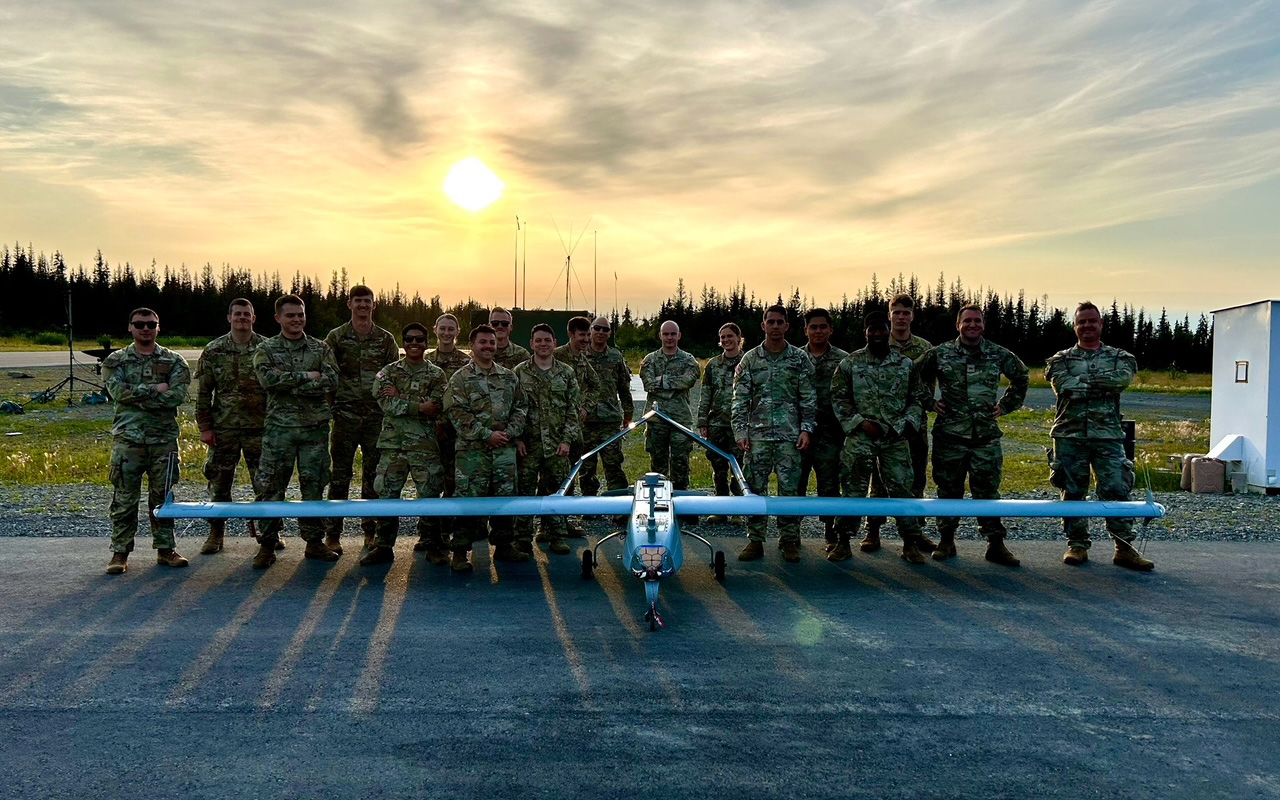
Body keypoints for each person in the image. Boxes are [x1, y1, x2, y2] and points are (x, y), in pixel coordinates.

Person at [916, 304, 1028, 566]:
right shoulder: (940, 353)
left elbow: (1021, 377)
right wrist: (929, 401)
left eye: (977, 321)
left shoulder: (998, 354)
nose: (972, 325)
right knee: (948, 491)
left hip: (985, 438)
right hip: (951, 436)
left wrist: (1007, 404)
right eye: (967, 321)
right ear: (958, 325)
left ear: (983, 325)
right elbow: (911, 376)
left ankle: (996, 544)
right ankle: (946, 541)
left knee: (988, 492)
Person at [1046, 302, 1153, 571]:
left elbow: (1121, 381)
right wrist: (1100, 383)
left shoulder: (1121, 357)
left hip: (1107, 435)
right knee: (1073, 491)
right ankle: (1077, 544)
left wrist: (1083, 382)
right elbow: (1064, 387)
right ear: (1075, 325)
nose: (1087, 326)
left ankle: (1124, 548)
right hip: (1070, 435)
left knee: (1116, 489)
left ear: (1101, 324)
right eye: (1082, 322)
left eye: (1092, 321)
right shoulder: (1060, 360)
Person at [829, 311, 931, 564]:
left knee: (902, 490)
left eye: (881, 329)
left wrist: (907, 423)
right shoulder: (851, 363)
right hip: (861, 437)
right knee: (853, 490)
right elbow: (838, 398)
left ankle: (909, 543)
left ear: (888, 330)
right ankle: (843, 541)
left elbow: (917, 398)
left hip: (894, 438)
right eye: (871, 329)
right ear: (865, 332)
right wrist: (859, 423)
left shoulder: (905, 364)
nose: (877, 334)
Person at [251, 295, 340, 569]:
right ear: (278, 318)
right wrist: (307, 376)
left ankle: (314, 543)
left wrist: (288, 380)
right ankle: (267, 545)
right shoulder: (266, 349)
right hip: (280, 430)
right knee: (271, 487)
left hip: (314, 429)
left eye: (300, 314)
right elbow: (268, 381)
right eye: (290, 315)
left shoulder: (320, 348)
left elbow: (331, 380)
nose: (297, 319)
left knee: (313, 486)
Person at [101, 308, 192, 574]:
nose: (145, 329)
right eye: (140, 324)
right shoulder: (116, 361)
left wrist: (138, 393)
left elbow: (177, 396)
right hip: (128, 440)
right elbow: (118, 393)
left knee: (163, 498)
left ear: (158, 328)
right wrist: (156, 389)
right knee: (124, 499)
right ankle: (120, 553)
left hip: (162, 440)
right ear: (130, 327)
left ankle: (166, 550)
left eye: (151, 324)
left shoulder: (174, 361)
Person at [731, 305, 817, 563]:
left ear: (787, 326)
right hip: (756, 438)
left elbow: (808, 398)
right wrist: (740, 431)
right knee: (754, 492)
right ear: (763, 326)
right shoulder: (750, 360)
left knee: (789, 492)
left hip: (789, 438)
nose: (776, 326)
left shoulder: (799, 359)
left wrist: (806, 429)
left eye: (780, 322)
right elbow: (739, 399)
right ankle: (755, 540)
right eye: (771, 322)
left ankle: (789, 540)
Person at [360, 323, 449, 566]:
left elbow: (438, 406)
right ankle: (384, 546)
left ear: (426, 343)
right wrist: (418, 406)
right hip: (393, 445)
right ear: (403, 343)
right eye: (409, 339)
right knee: (387, 496)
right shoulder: (387, 373)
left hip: (424, 445)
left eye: (420, 339)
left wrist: (402, 398)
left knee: (429, 495)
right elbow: (385, 402)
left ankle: (432, 545)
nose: (414, 344)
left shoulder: (437, 374)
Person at [444, 324, 529, 571]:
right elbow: (456, 413)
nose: (488, 346)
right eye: (483, 342)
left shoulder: (508, 376)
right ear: (472, 346)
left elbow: (521, 407)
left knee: (505, 501)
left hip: (504, 451)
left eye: (491, 342)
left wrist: (508, 434)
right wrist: (486, 435)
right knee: (468, 502)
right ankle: (460, 550)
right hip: (473, 453)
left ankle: (503, 547)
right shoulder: (460, 379)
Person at [323, 285, 399, 555]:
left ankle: (370, 531)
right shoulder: (337, 337)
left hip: (376, 419)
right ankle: (333, 534)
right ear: (350, 304)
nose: (363, 306)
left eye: (367, 301)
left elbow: (394, 376)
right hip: (345, 416)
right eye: (358, 301)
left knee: (373, 476)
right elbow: (328, 374)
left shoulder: (385, 339)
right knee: (340, 475)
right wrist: (335, 407)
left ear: (373, 305)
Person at [194, 298, 270, 556]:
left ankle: (270, 533)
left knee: (265, 484)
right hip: (224, 428)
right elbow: (204, 393)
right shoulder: (214, 351)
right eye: (237, 314)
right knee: (219, 483)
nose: (242, 318)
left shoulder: (266, 348)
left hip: (260, 429)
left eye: (246, 314)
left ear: (253, 317)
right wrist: (205, 427)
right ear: (229, 318)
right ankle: (216, 534)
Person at [863, 294, 936, 553]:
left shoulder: (925, 348)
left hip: (913, 427)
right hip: (883, 427)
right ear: (890, 315)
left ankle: (913, 534)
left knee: (915, 480)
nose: (901, 317)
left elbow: (925, 388)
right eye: (897, 313)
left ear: (913, 316)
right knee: (879, 481)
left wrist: (929, 405)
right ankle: (873, 530)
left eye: (906, 312)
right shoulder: (879, 340)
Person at [516, 324, 582, 554]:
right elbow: (512, 409)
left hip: (556, 446)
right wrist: (517, 439)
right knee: (524, 492)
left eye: (547, 340)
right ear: (531, 344)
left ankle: (558, 536)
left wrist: (566, 440)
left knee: (557, 492)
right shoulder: (519, 372)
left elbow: (573, 410)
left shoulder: (566, 373)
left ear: (555, 343)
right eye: (538, 340)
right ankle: (523, 538)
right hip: (529, 445)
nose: (543, 344)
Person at [797, 308, 849, 551]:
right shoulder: (794, 358)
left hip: (831, 434)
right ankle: (791, 535)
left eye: (822, 327)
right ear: (805, 330)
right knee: (795, 485)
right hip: (798, 434)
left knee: (829, 486)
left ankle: (832, 533)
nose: (818, 331)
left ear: (831, 330)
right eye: (813, 327)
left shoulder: (844, 360)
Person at [423, 313, 472, 553]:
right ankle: (428, 534)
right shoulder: (425, 361)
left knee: (453, 482)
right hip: (429, 433)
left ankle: (448, 530)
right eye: (442, 328)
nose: (446, 333)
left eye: (451, 329)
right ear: (435, 330)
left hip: (456, 433)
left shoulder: (465, 362)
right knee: (429, 484)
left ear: (457, 331)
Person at [552, 316, 602, 539]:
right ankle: (547, 525)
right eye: (582, 335)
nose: (586, 339)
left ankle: (563, 521)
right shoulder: (556, 356)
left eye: (588, 335)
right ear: (571, 334)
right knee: (550, 477)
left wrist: (586, 407)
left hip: (573, 428)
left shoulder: (583, 360)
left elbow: (595, 385)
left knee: (570, 474)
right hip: (553, 427)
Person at [639, 320, 701, 489]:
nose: (669, 337)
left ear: (679, 336)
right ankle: (658, 501)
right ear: (660, 336)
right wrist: (675, 384)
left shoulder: (688, 360)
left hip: (680, 419)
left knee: (680, 463)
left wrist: (663, 380)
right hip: (656, 419)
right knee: (658, 465)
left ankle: (681, 500)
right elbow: (648, 384)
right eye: (666, 334)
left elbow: (689, 380)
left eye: (673, 334)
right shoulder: (649, 360)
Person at [696, 323, 746, 523]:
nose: (726, 340)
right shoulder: (713, 365)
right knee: (719, 469)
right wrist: (702, 420)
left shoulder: (748, 361)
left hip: (739, 425)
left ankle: (737, 511)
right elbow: (705, 393)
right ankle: (720, 509)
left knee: (739, 469)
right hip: (717, 424)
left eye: (730, 336)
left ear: (738, 338)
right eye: (723, 337)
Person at [581, 316, 632, 495]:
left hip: (609, 421)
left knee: (613, 464)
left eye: (605, 329)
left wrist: (628, 415)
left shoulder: (616, 357)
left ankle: (618, 505)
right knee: (586, 467)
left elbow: (624, 388)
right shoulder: (580, 355)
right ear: (591, 331)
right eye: (597, 328)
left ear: (609, 333)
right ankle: (589, 505)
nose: (601, 332)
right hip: (585, 421)